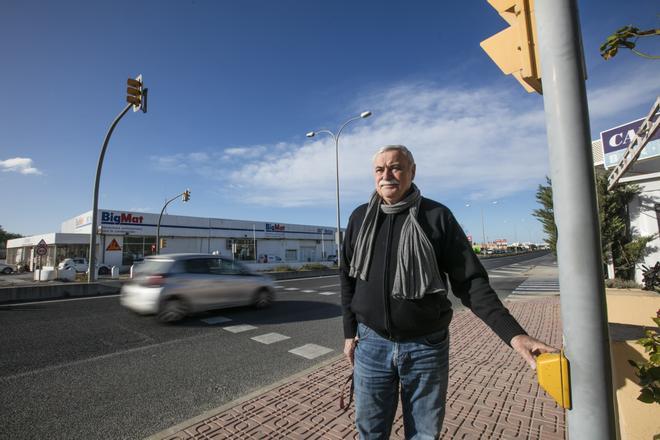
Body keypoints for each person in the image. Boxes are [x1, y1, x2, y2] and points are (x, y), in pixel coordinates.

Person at [340, 145, 556, 439]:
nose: (387, 175)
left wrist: (513, 333)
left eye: (396, 167)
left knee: (424, 434)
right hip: (371, 345)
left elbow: (471, 283)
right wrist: (349, 332)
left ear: (412, 171)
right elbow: (347, 279)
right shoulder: (360, 218)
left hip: (425, 348)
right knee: (370, 431)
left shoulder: (437, 216)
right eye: (380, 169)